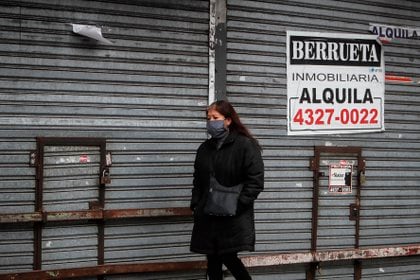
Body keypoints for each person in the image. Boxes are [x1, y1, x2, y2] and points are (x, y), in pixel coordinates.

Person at [190, 100, 264, 280]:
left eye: (215, 117)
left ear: (228, 120)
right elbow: (198, 180)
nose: (211, 122)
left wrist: (239, 205)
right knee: (212, 259)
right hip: (208, 216)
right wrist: (196, 204)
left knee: (228, 256)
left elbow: (255, 180)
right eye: (209, 118)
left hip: (232, 216)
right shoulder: (204, 148)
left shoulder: (245, 145)